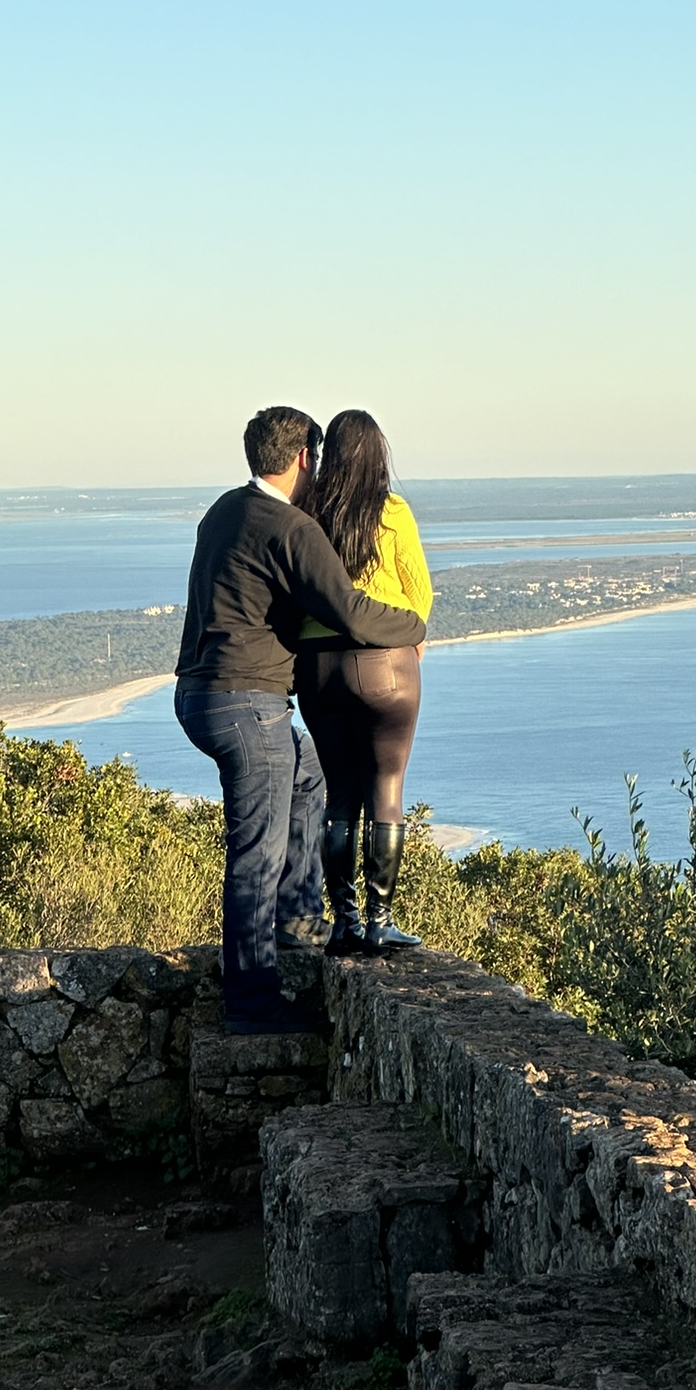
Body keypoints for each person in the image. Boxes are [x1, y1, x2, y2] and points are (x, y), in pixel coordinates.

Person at [174, 406, 428, 1033]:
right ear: (301, 458)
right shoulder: (290, 526)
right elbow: (349, 611)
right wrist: (413, 627)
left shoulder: (224, 510)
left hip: (199, 693)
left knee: (311, 776)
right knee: (255, 853)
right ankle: (253, 1005)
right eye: (314, 459)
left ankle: (296, 919)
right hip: (245, 701)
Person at [294, 409, 432, 956]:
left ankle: (344, 920)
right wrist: (408, 645)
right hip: (387, 662)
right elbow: (418, 595)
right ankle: (381, 919)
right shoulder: (392, 512)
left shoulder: (307, 513)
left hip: (318, 666)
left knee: (339, 793)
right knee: (386, 788)